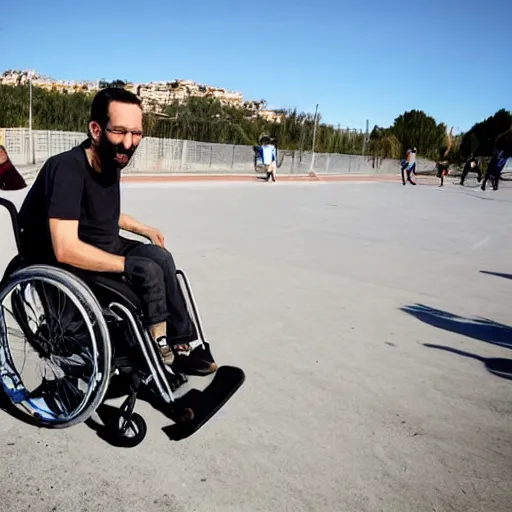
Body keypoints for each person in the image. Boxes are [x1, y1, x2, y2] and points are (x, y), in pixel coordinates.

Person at [17, 87, 217, 375]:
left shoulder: (112, 161)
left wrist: (144, 229)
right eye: (120, 131)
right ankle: (155, 348)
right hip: (61, 255)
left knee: (161, 257)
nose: (128, 143)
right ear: (96, 130)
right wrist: (127, 264)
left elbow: (105, 212)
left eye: (136, 133)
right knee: (145, 270)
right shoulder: (67, 169)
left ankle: (181, 344)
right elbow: (64, 247)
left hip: (99, 241)